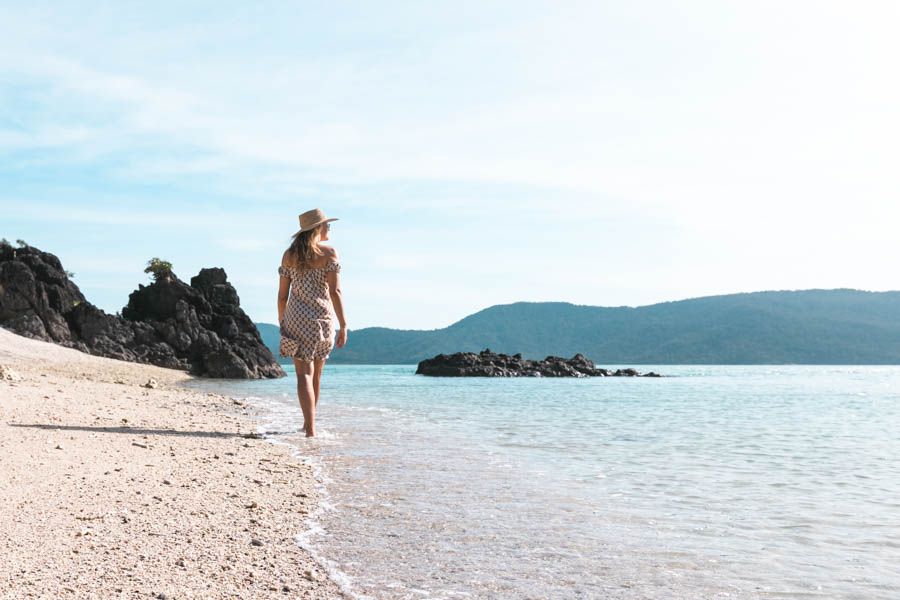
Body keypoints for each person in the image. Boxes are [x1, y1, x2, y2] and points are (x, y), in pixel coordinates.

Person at [277, 208, 348, 437]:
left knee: (303, 375)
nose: (329, 228)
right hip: (322, 319)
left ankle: (310, 428)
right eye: (327, 224)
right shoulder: (329, 253)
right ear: (317, 228)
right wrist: (344, 324)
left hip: (296, 318)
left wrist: (282, 321)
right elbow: (335, 291)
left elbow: (282, 296)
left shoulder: (289, 255)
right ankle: (310, 427)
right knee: (316, 374)